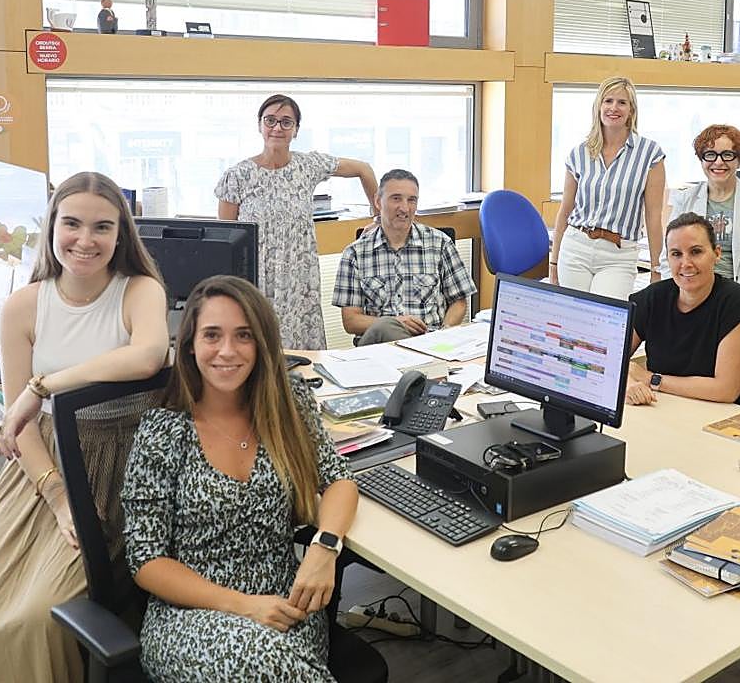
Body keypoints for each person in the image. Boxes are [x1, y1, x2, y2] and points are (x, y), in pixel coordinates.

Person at [0, 172, 170, 682]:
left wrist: (44, 387)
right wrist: (57, 495)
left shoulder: (139, 291)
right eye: (72, 224)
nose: (85, 240)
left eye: (102, 227)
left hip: (120, 463)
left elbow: (148, 355)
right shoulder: (24, 305)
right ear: (52, 226)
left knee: (40, 619)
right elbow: (22, 427)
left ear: (121, 235)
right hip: (44, 469)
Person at [122, 275, 357, 682]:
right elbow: (146, 560)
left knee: (270, 660)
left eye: (243, 335)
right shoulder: (163, 432)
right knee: (263, 659)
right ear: (190, 344)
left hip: (287, 606)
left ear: (261, 343)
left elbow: (339, 480)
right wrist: (244, 606)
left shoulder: (288, 407)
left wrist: (324, 548)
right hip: (190, 617)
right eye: (212, 335)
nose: (227, 351)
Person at [215, 93, 378, 350]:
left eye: (286, 122)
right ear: (259, 125)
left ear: (296, 129)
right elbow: (226, 240)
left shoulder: (308, 165)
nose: (277, 127)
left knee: (303, 356)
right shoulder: (237, 176)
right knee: (258, 350)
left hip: (299, 281)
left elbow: (363, 169)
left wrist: (378, 217)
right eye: (270, 120)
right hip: (258, 280)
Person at [622, 212, 740, 406]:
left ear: (717, 254)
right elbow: (611, 357)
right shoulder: (653, 297)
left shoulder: (735, 302)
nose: (686, 263)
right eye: (676, 254)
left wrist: (652, 379)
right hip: (660, 405)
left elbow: (726, 390)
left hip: (715, 410)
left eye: (696, 252)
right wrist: (629, 382)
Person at [551, 76, 666, 298]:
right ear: (599, 106)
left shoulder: (650, 154)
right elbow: (565, 210)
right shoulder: (579, 153)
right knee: (572, 314)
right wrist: (553, 263)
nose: (614, 108)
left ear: (631, 110)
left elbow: (653, 216)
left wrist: (656, 269)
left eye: (622, 102)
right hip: (575, 247)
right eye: (608, 101)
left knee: (606, 316)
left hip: (618, 255)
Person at [333, 168, 476, 345]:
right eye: (396, 199)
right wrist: (395, 323)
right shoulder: (354, 254)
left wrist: (443, 334)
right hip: (378, 348)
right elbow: (351, 321)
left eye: (411, 200)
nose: (405, 208)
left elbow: (459, 301)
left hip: (430, 342)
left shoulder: (440, 243)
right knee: (387, 328)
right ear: (378, 201)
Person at [665, 124, 740, 287]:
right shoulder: (685, 199)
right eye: (710, 155)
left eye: (727, 155)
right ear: (701, 160)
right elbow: (668, 255)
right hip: (692, 289)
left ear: (739, 161)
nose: (718, 162)